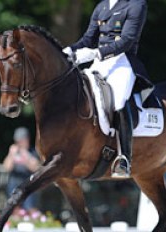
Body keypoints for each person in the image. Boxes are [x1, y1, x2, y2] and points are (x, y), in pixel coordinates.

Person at [63, 0, 148, 178]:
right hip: (100, 62)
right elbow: (88, 39)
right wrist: (69, 50)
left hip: (123, 61)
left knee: (119, 100)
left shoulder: (136, 4)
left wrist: (96, 53)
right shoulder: (102, 6)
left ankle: (124, 157)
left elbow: (127, 40)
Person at [3, 127, 40, 211]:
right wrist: (11, 154)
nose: (19, 143)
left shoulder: (32, 151)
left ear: (27, 139)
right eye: (17, 141)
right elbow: (7, 167)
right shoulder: (13, 151)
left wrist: (25, 155)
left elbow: (35, 168)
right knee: (13, 206)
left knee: (30, 207)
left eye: (21, 140)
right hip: (14, 180)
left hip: (28, 180)